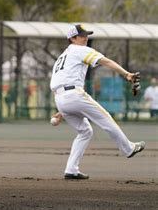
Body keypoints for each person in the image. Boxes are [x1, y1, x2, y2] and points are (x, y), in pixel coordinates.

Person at [50, 24, 145, 180]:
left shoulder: (62, 57)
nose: (86, 38)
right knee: (106, 118)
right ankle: (128, 148)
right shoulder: (80, 50)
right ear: (72, 39)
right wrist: (127, 74)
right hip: (74, 95)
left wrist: (62, 110)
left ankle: (71, 169)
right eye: (82, 36)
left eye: (86, 35)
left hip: (61, 98)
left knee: (85, 131)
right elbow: (105, 61)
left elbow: (60, 83)